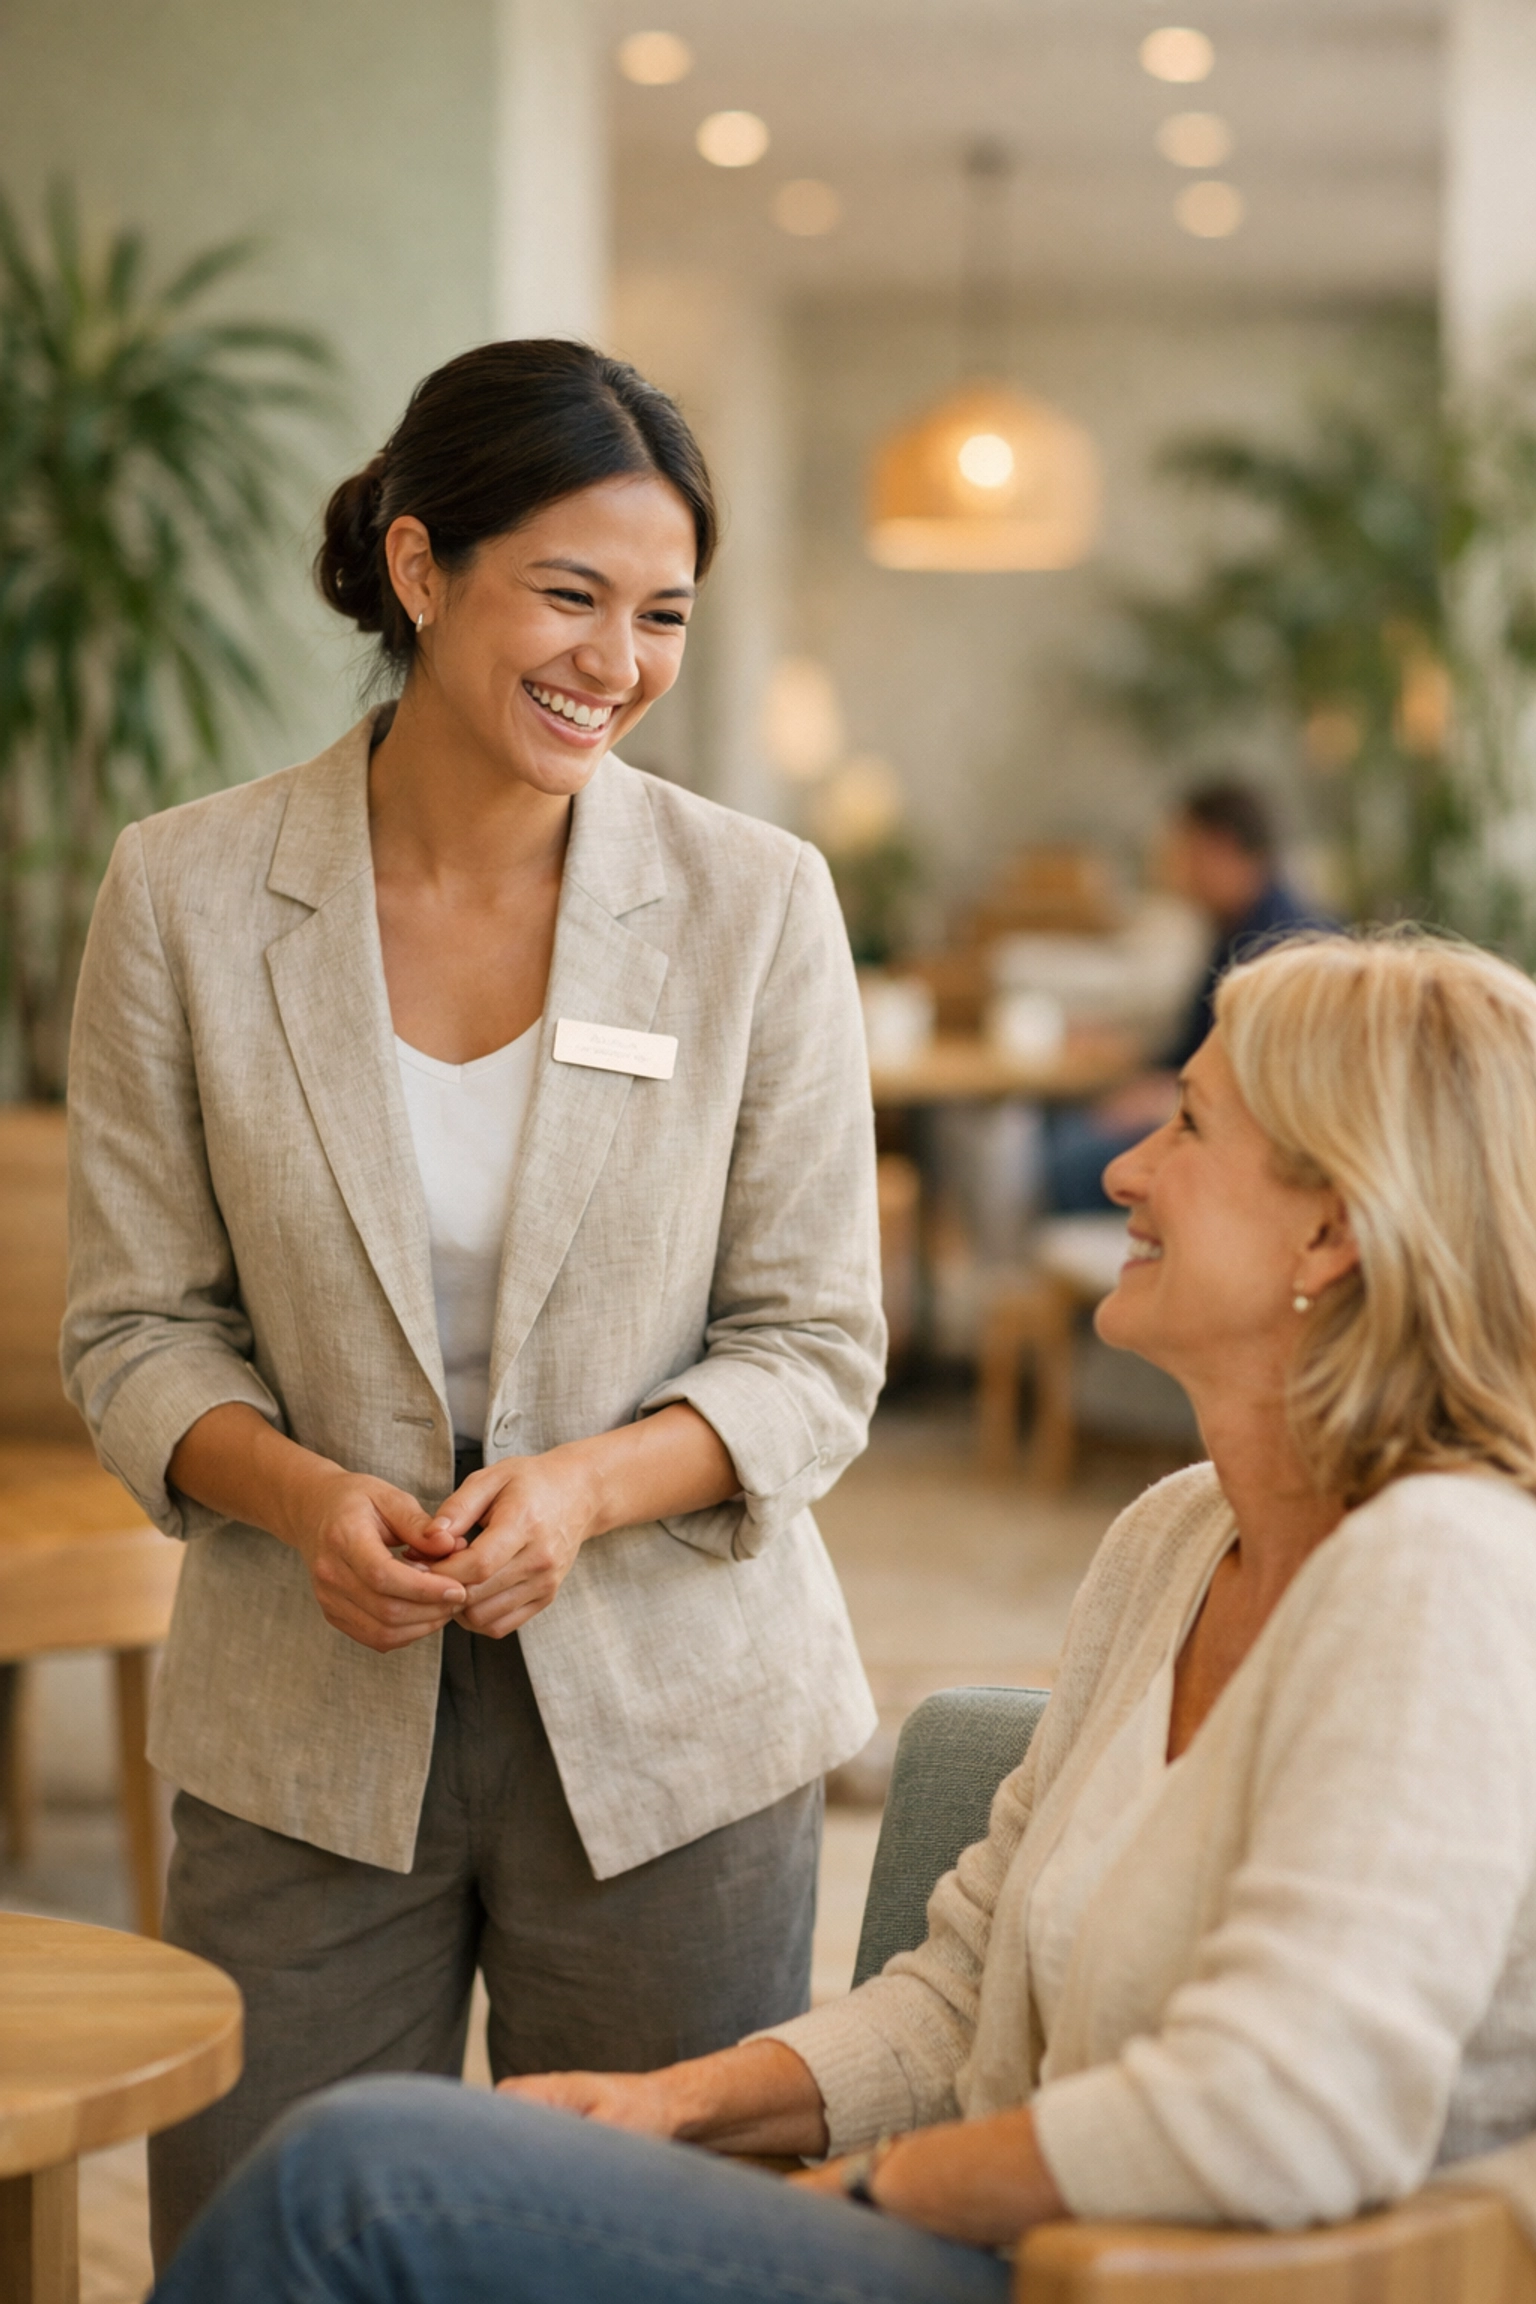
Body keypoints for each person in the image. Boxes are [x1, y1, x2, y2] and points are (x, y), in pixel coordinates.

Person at [151, 927, 1536, 2303]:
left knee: (357, 2188)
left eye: (1187, 1125)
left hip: (1128, 2283)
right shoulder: (1176, 1538)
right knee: (371, 2176)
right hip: (984, 2254)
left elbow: (1286, 2112)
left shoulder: (1447, 1572)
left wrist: (876, 2192)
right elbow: (960, 1997)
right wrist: (679, 2109)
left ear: (1335, 1228)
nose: (1125, 1168)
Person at [62, 339, 884, 2263]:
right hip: (302, 1708)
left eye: (663, 611)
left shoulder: (754, 902)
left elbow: (817, 1342)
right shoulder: (184, 894)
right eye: (570, 593)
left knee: (655, 2250)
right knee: (264, 2235)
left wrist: (588, 1487)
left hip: (681, 1712)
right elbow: (134, 1324)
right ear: (421, 569)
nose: (618, 659)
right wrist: (300, 1497)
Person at [1043, 777, 1331, 1212]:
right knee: (1059, 1128)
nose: (1173, 869)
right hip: (1202, 1110)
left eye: (1181, 851)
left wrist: (1167, 1097)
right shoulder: (1238, 927)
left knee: (1067, 1160)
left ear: (1218, 848)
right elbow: (1195, 1046)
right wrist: (1133, 1057)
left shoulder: (1281, 949)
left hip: (1241, 1136)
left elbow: (1264, 1093)